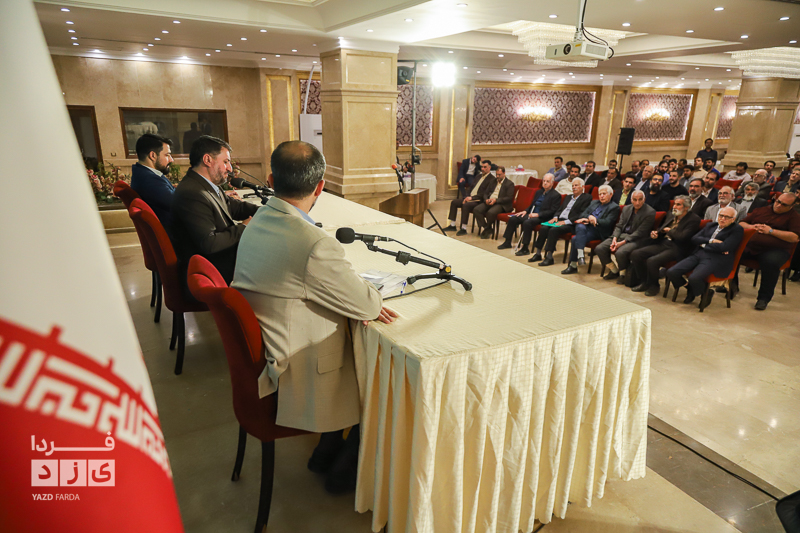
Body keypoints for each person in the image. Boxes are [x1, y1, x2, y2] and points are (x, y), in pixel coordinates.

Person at [232, 140, 397, 494]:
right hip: (293, 370)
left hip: (266, 354)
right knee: (382, 378)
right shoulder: (314, 243)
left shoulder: (258, 220)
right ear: (320, 186)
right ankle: (344, 473)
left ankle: (326, 451)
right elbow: (369, 305)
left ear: (271, 179)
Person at [171, 135, 259, 284]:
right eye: (225, 162)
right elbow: (209, 243)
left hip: (219, 261)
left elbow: (235, 207)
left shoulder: (204, 185)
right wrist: (244, 227)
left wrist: (265, 211)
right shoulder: (192, 193)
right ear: (207, 160)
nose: (230, 168)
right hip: (211, 272)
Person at [666, 206, 744, 307]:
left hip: (715, 258)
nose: (722, 219)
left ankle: (704, 293)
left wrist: (703, 245)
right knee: (672, 272)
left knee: (694, 278)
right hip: (698, 254)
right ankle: (693, 289)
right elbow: (694, 239)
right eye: (721, 216)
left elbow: (725, 247)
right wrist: (711, 241)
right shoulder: (711, 225)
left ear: (733, 219)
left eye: (727, 217)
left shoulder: (737, 230)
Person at [736, 194, 800, 310]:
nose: (778, 205)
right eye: (778, 201)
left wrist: (771, 231)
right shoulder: (761, 210)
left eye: (784, 204)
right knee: (731, 253)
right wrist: (752, 226)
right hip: (752, 246)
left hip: (776, 250)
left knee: (770, 262)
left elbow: (794, 237)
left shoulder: (794, 217)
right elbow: (741, 223)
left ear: (791, 206)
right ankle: (732, 286)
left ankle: (763, 298)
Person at [630, 196, 701, 296]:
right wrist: (656, 234)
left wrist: (669, 231)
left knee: (652, 261)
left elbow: (683, 237)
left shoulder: (694, 219)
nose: (674, 206)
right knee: (636, 254)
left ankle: (654, 286)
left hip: (678, 248)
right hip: (664, 243)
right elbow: (661, 229)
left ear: (686, 207)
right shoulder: (671, 214)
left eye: (678, 204)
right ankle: (644, 282)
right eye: (674, 204)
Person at [595, 190, 655, 285]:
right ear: (631, 200)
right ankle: (614, 270)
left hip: (637, 239)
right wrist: (615, 238)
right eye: (635, 200)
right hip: (621, 235)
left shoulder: (650, 212)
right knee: (600, 248)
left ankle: (623, 274)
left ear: (644, 199)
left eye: (640, 199)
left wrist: (622, 243)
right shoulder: (626, 208)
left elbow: (640, 232)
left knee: (620, 252)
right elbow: (619, 226)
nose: (637, 202)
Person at [561, 185, 620, 274]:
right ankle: (579, 257)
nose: (601, 196)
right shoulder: (594, 203)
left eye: (604, 194)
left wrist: (594, 220)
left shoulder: (614, 207)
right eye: (600, 194)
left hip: (598, 231)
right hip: (586, 228)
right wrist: (589, 217)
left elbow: (608, 222)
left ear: (611, 195)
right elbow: (582, 214)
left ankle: (574, 264)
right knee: (580, 226)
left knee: (575, 239)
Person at [532, 179, 592, 265]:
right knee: (544, 228)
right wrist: (555, 217)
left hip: (571, 223)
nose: (574, 187)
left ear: (582, 187)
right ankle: (538, 253)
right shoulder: (568, 197)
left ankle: (549, 257)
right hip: (560, 220)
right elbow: (560, 209)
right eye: (573, 185)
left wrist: (566, 222)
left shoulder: (586, 198)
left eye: (576, 185)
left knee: (553, 230)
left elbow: (581, 214)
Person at [497, 173, 561, 254]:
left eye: (547, 181)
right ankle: (507, 242)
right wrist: (525, 211)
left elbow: (552, 211)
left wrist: (538, 214)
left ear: (552, 183)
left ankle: (525, 247)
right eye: (544, 181)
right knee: (513, 218)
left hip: (543, 217)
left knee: (527, 222)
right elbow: (532, 205)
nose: (545, 183)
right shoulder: (539, 192)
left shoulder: (556, 195)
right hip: (531, 213)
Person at [130, 133, 175, 230]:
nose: (171, 160)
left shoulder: (142, 173)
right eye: (167, 155)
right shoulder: (148, 180)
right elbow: (178, 203)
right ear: (153, 155)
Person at [444, 160, 493, 234]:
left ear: (489, 168)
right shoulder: (478, 176)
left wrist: (472, 198)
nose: (482, 169)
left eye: (485, 167)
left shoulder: (492, 179)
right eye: (482, 167)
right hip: (470, 198)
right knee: (454, 202)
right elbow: (470, 187)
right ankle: (452, 225)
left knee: (466, 205)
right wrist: (466, 197)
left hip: (478, 200)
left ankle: (463, 228)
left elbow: (485, 194)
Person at [473, 165, 515, 239]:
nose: (497, 176)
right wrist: (486, 199)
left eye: (499, 175)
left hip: (501, 204)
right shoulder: (493, 181)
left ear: (504, 173)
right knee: (477, 210)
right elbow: (485, 193)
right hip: (490, 200)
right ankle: (488, 228)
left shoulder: (509, 184)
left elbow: (509, 198)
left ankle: (487, 229)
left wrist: (496, 200)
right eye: (496, 174)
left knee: (491, 213)